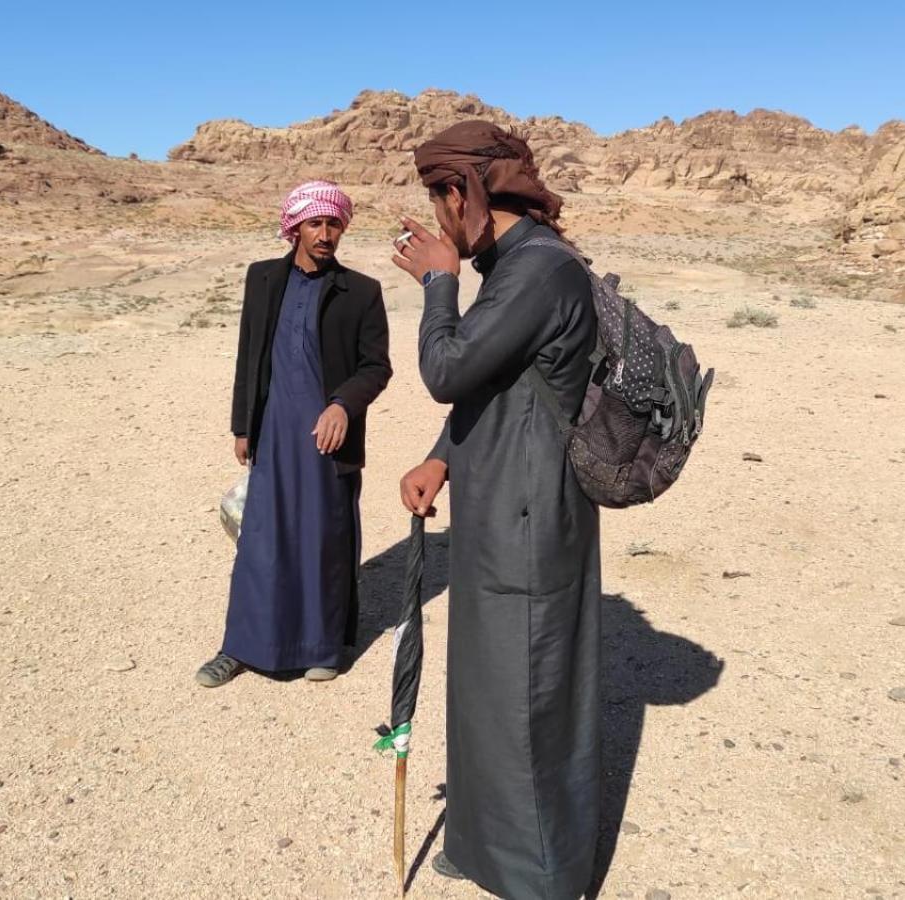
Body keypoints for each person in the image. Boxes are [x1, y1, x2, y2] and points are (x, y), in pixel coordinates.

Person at [392, 122, 602, 900]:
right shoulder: (515, 266)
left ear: (462, 194)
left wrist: (439, 282)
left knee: (525, 695)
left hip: (530, 518)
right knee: (487, 687)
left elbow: (448, 367)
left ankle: (539, 878)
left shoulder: (540, 269)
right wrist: (443, 457)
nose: (440, 225)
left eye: (439, 204)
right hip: (495, 509)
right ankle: (485, 847)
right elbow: (494, 379)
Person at [196, 181, 391, 687]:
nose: (326, 234)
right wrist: (243, 425)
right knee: (262, 538)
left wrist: (342, 405)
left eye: (334, 225)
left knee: (324, 538)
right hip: (275, 433)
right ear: (295, 228)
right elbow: (250, 355)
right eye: (316, 224)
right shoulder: (262, 279)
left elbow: (376, 367)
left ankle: (321, 646)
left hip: (328, 438)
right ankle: (239, 647)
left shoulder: (362, 292)